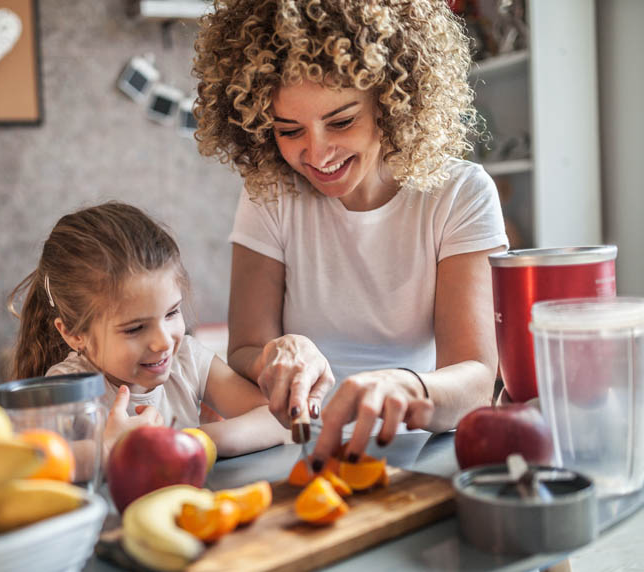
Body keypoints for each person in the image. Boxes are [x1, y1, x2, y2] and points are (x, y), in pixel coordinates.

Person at [192, 0, 509, 464]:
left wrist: (403, 385)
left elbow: (477, 379)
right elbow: (244, 347)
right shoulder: (272, 192)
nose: (316, 154)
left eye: (341, 121)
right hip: (296, 445)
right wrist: (278, 354)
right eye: (289, 130)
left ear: (391, 102)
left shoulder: (460, 194)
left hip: (417, 443)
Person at [8, 201, 288, 469]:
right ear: (73, 334)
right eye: (135, 328)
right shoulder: (68, 387)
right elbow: (32, 461)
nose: (164, 341)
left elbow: (275, 420)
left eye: (172, 313)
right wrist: (111, 449)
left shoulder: (187, 360)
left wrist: (186, 442)